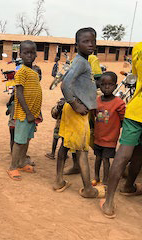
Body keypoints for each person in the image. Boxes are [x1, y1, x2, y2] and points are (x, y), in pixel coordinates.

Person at [53, 28, 104, 198]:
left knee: (65, 145)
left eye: (93, 41)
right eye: (86, 41)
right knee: (82, 150)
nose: (91, 44)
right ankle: (88, 189)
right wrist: (75, 104)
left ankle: (59, 181)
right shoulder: (81, 62)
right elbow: (64, 84)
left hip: (75, 110)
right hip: (77, 112)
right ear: (77, 44)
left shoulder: (83, 61)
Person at [100, 42, 142, 219]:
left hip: (136, 109)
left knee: (123, 154)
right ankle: (128, 186)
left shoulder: (138, 47)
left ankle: (109, 202)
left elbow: (136, 74)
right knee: (139, 153)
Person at [7, 40, 42, 181]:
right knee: (19, 141)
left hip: (32, 115)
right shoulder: (21, 72)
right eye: (26, 52)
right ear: (20, 54)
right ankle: (12, 167)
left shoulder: (33, 71)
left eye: (32, 52)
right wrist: (28, 112)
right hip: (24, 115)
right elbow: (19, 94)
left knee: (26, 140)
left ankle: (21, 162)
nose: (29, 55)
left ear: (36, 54)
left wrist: (36, 112)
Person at [92, 72, 125, 186]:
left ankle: (105, 180)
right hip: (98, 137)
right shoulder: (97, 101)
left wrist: (114, 129)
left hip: (110, 139)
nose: (106, 87)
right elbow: (93, 115)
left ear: (115, 86)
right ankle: (96, 177)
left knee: (106, 160)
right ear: (99, 85)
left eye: (110, 84)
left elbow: (122, 119)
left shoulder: (119, 103)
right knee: (98, 158)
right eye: (103, 84)